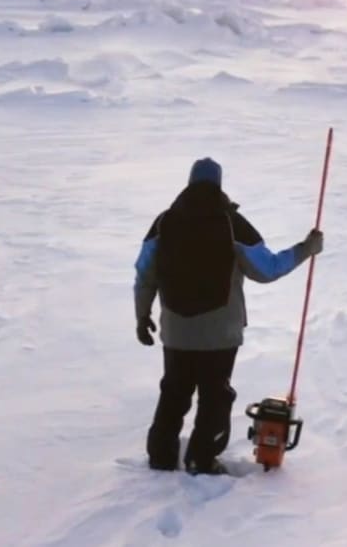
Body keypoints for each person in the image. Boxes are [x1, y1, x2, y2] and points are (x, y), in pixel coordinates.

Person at [133, 157, 323, 475]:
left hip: (176, 331)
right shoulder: (233, 223)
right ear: (219, 184)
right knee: (214, 397)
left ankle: (161, 457)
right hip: (221, 333)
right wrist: (307, 248)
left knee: (174, 392)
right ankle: (202, 459)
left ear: (189, 182)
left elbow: (144, 274)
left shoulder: (164, 223)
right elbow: (268, 269)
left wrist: (142, 317)